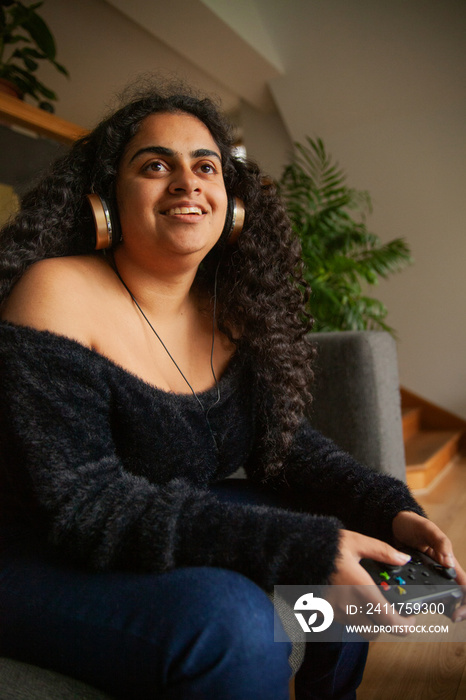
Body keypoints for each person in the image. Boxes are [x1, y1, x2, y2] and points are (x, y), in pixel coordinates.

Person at [0, 84, 464, 700]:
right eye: (156, 164)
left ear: (232, 204)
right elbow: (83, 504)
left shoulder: (228, 308)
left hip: (159, 516)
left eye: (206, 165)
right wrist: (296, 549)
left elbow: (286, 445)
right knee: (240, 626)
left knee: (406, 582)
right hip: (38, 549)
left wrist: (391, 510)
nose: (187, 181)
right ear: (108, 195)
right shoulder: (54, 291)